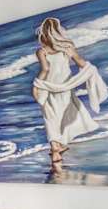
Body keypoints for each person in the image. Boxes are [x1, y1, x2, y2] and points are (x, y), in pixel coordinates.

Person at [31, 17, 100, 164]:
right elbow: (80, 62)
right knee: (65, 114)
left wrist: (36, 85)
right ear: (58, 30)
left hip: (49, 87)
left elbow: (45, 69)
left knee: (50, 117)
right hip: (66, 86)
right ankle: (59, 145)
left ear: (44, 32)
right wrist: (90, 70)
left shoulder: (41, 51)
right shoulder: (68, 46)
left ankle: (55, 149)